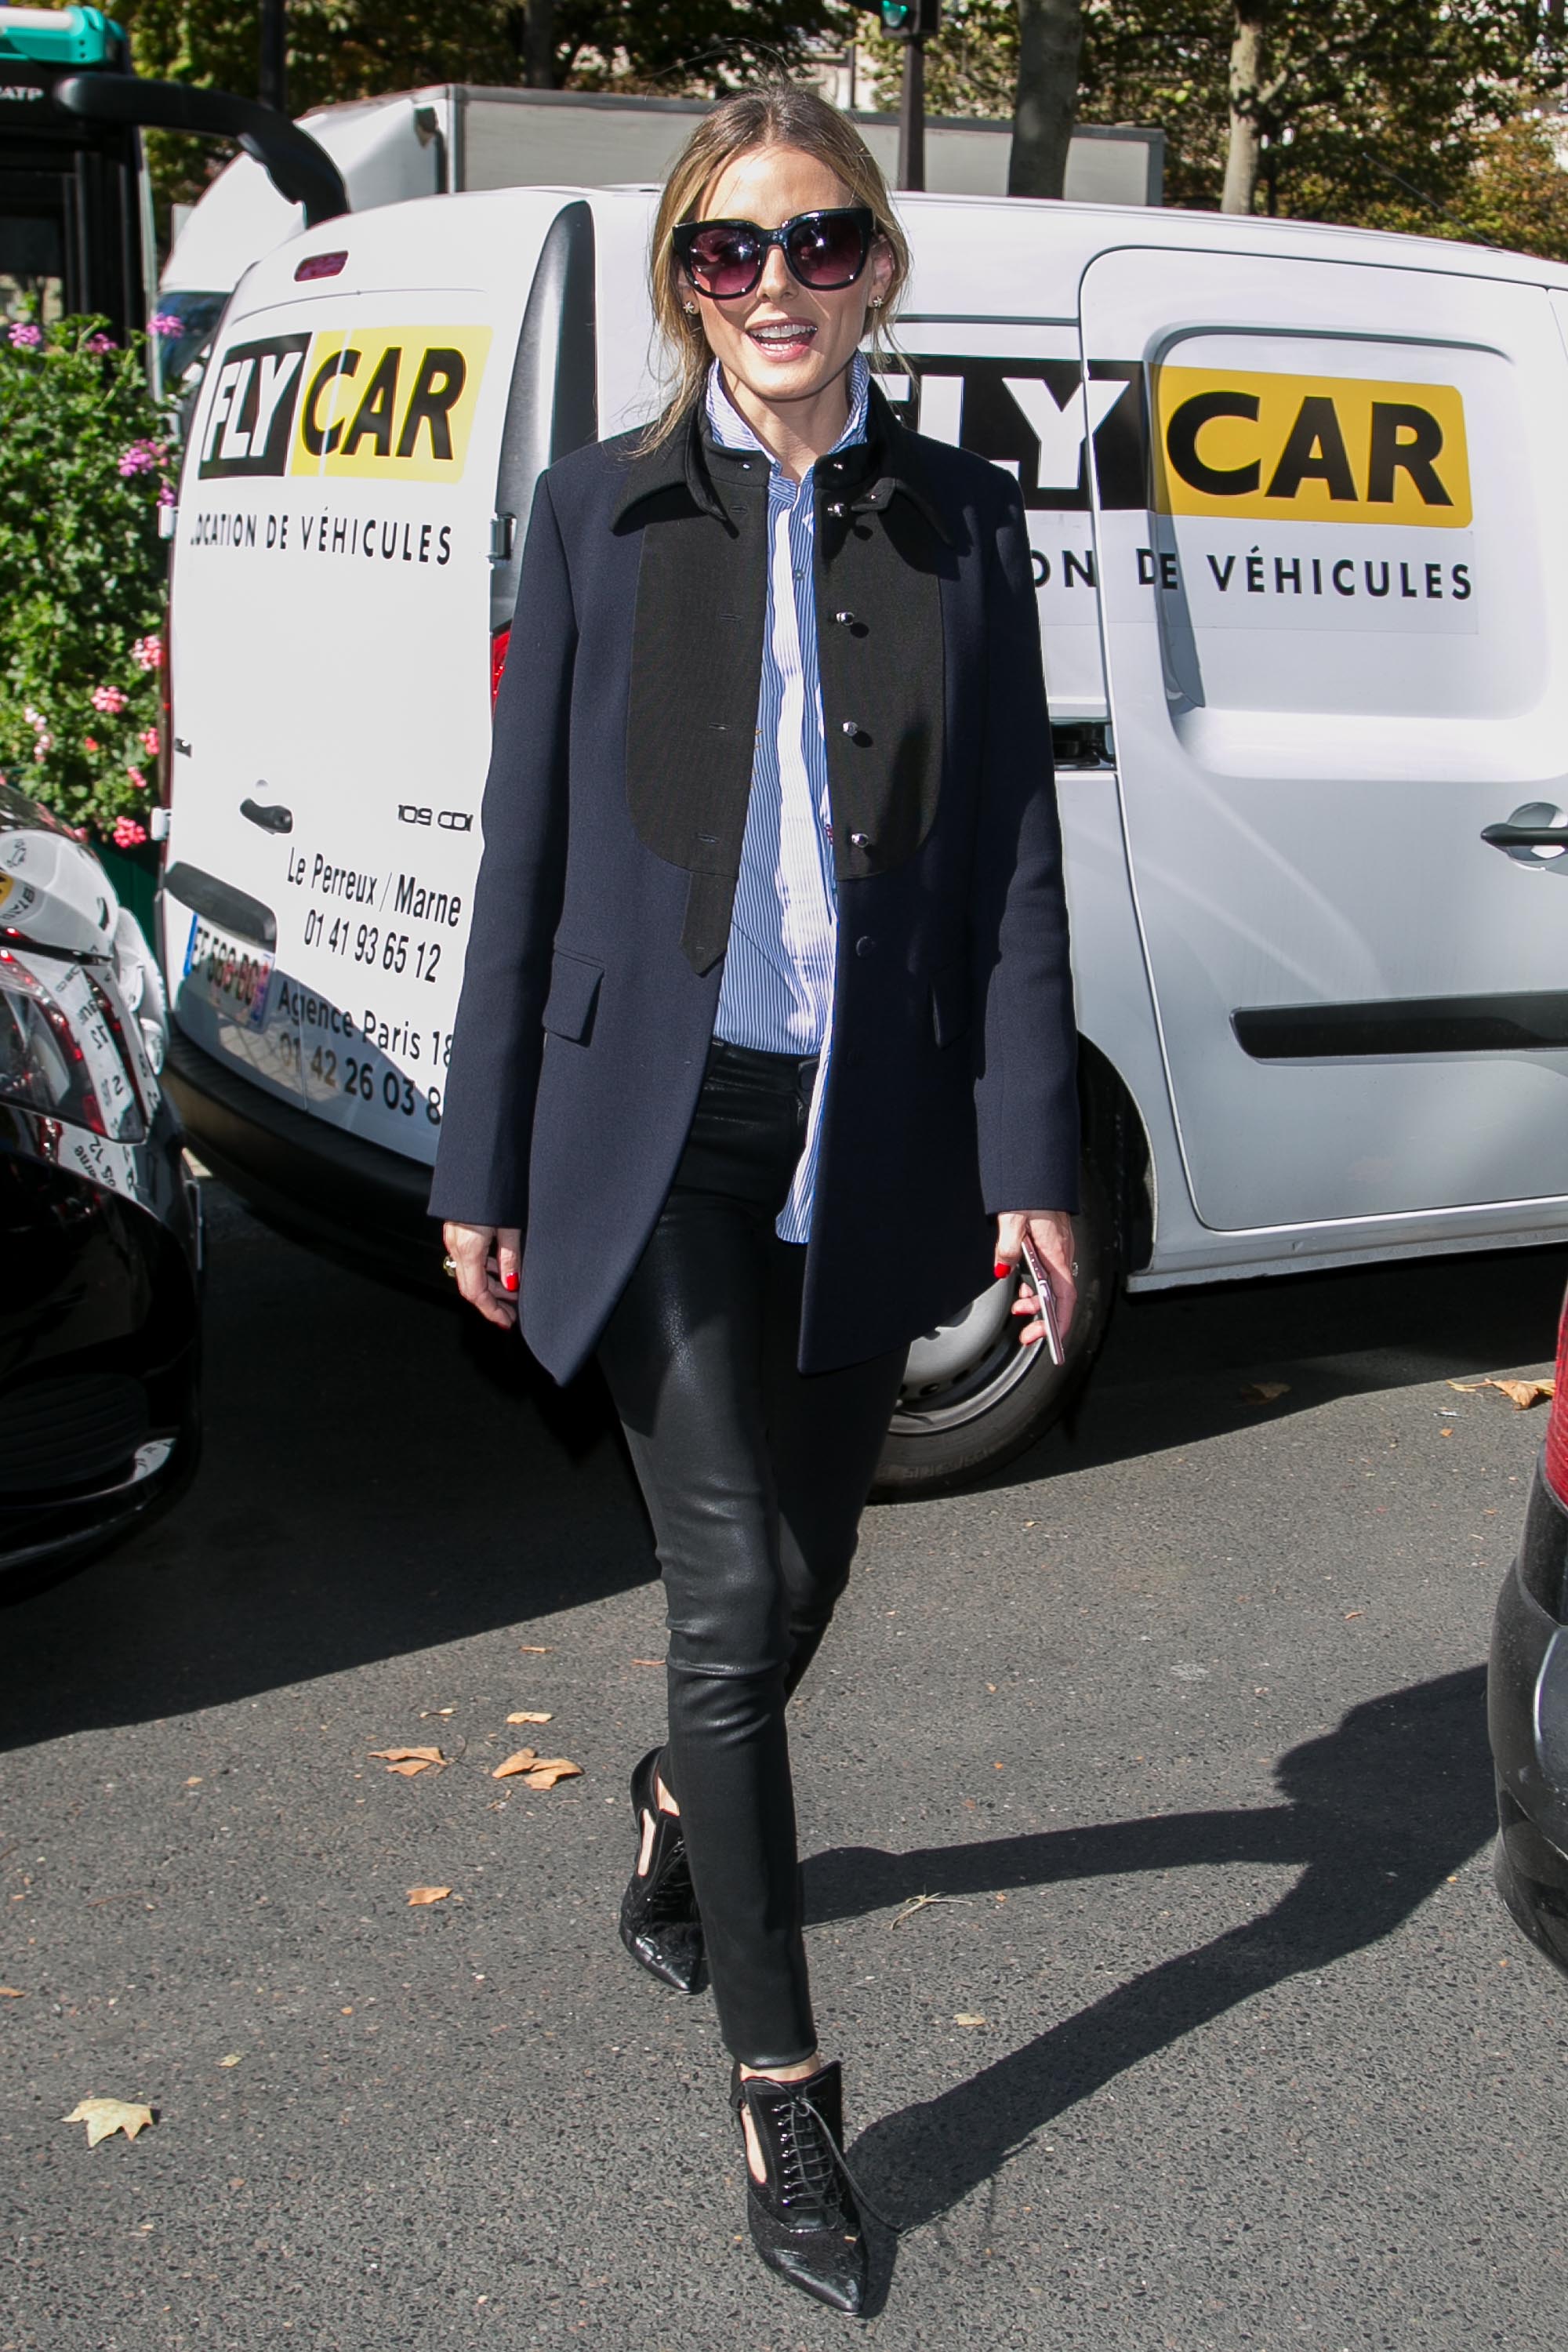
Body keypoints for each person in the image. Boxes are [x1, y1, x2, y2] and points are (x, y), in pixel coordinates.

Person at [431, 82, 1080, 2317]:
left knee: (798, 1578)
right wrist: (478, 1150)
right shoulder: (596, 514)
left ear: (874, 264)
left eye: (813, 244)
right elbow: (521, 856)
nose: (775, 285)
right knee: (731, 1595)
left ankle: (672, 1807)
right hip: (654, 1128)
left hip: (865, 1135)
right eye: (730, 251)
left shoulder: (967, 521)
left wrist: (1033, 1161)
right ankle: (784, 2092)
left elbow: (1009, 859)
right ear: (686, 282)